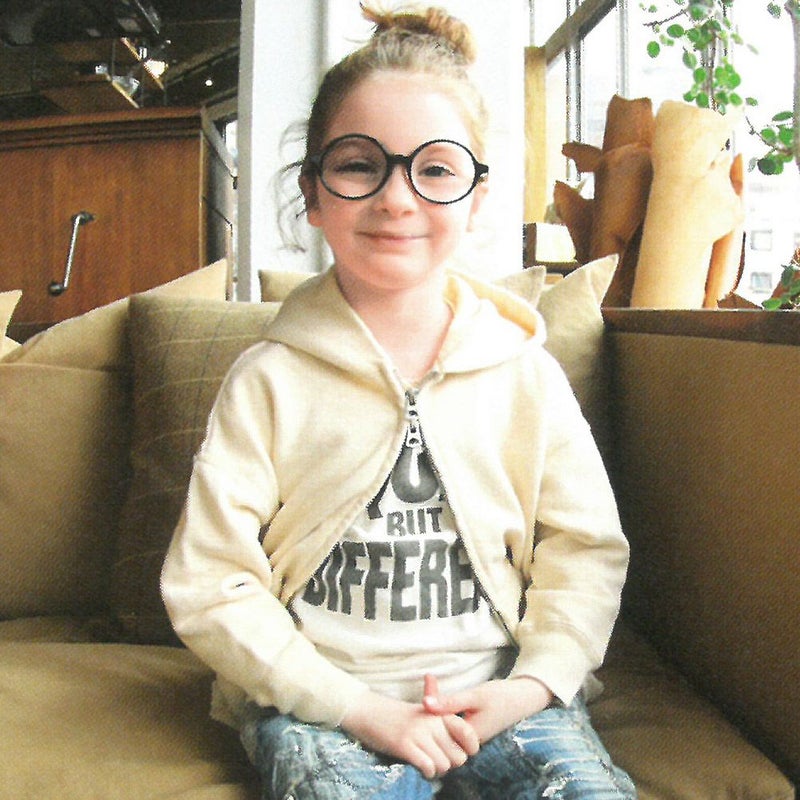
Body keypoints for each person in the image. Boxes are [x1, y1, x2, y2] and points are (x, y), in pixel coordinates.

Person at [161, 4, 637, 798]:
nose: (396, 197)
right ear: (313, 194)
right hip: (323, 706)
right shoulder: (267, 381)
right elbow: (210, 582)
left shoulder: (524, 373)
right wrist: (356, 709)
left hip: (502, 699)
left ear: (477, 198)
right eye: (359, 165)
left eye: (437, 169)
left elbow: (585, 550)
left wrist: (530, 686)